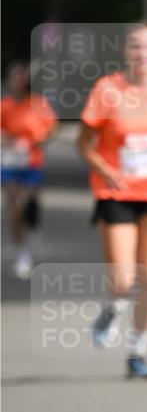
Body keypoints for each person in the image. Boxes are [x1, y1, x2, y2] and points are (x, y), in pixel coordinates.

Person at [77, 21, 147, 380]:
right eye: (135, 47)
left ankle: (138, 352)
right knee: (123, 279)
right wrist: (103, 168)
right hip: (116, 191)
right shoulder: (107, 90)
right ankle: (113, 305)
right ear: (125, 51)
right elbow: (83, 143)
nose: (142, 54)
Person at [1, 61, 58, 279]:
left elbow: (52, 128)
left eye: (22, 77)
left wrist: (37, 139)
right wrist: (8, 140)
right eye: (15, 77)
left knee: (30, 205)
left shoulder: (38, 104)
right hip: (10, 162)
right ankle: (22, 252)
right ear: (9, 81)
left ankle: (33, 233)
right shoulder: (4, 106)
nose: (18, 81)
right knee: (14, 206)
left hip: (32, 162)